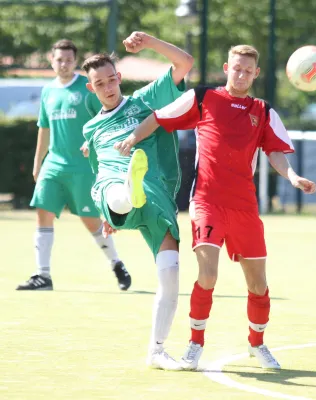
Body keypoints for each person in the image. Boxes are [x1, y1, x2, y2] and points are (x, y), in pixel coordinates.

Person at [118, 44, 316, 370]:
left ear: (256, 73)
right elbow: (159, 116)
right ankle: (195, 343)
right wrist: (131, 139)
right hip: (207, 202)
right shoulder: (203, 98)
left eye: (247, 70)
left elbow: (275, 151)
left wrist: (293, 177)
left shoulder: (263, 111)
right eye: (236, 68)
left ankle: (258, 344)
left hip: (244, 208)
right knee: (207, 275)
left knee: (258, 284)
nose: (241, 74)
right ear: (227, 67)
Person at [81, 31, 193, 370]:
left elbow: (184, 62)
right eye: (99, 83)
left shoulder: (145, 100)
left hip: (155, 194)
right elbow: (96, 174)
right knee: (116, 189)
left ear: (120, 78)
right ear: (92, 88)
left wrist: (151, 43)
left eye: (112, 79)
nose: (108, 86)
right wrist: (107, 213)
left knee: (171, 274)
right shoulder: (91, 130)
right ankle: (127, 193)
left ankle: (157, 351)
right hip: (112, 187)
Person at [16, 39, 130, 292]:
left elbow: (104, 117)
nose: (64, 64)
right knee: (42, 212)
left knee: (91, 221)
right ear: (51, 59)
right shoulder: (48, 91)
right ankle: (42, 276)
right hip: (54, 165)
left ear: (75, 61)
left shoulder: (87, 88)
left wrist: (94, 143)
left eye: (68, 59)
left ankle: (116, 263)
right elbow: (43, 129)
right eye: (59, 59)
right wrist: (38, 162)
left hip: (82, 168)